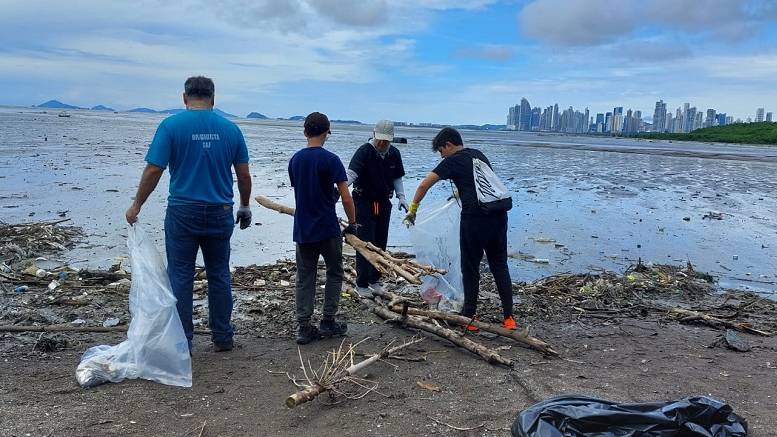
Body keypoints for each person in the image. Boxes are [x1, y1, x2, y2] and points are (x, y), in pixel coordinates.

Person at [125, 76, 252, 353]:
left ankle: (183, 340)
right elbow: (243, 175)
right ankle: (222, 336)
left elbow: (153, 170)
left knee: (180, 274)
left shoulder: (171, 126)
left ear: (184, 98)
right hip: (220, 211)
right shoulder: (231, 130)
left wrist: (137, 205)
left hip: (183, 211)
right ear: (213, 99)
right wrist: (244, 205)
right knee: (219, 274)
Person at [403, 127, 517, 330]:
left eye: (440, 151)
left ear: (448, 144)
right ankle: (509, 318)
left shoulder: (452, 160)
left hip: (475, 219)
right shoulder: (479, 155)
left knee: (470, 267)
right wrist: (459, 194)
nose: (441, 156)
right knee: (499, 265)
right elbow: (483, 185)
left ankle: (470, 317)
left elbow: (423, 185)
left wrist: (413, 210)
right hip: (498, 215)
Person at [289, 112, 358, 345]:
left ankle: (303, 326)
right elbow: (346, 197)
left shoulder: (295, 160)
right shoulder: (331, 160)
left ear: (305, 132)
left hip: (303, 227)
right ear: (327, 132)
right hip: (327, 227)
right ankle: (328, 321)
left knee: (305, 276)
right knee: (335, 272)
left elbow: (303, 191)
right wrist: (352, 223)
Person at [347, 120, 407, 296]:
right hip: (363, 201)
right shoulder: (364, 152)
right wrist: (339, 190)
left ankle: (375, 279)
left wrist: (401, 197)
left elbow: (397, 178)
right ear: (374, 135)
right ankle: (362, 283)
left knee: (381, 242)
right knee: (365, 241)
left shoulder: (394, 153)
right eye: (380, 140)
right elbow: (351, 175)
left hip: (383, 202)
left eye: (386, 141)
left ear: (391, 140)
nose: (382, 144)